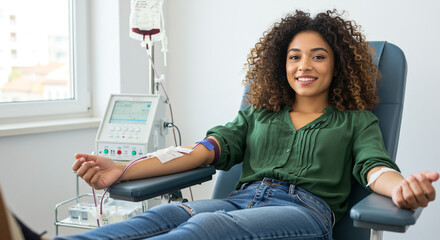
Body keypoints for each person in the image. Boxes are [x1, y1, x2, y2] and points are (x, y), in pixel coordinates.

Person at [56, 10, 438, 240]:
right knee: (162, 217)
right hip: (237, 203)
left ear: (338, 66)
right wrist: (124, 169)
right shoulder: (258, 113)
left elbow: (375, 168)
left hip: (304, 213)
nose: (304, 66)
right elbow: (201, 150)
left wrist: (402, 187)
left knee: (202, 233)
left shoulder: (356, 121)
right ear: (281, 64)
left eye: (318, 57)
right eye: (294, 57)